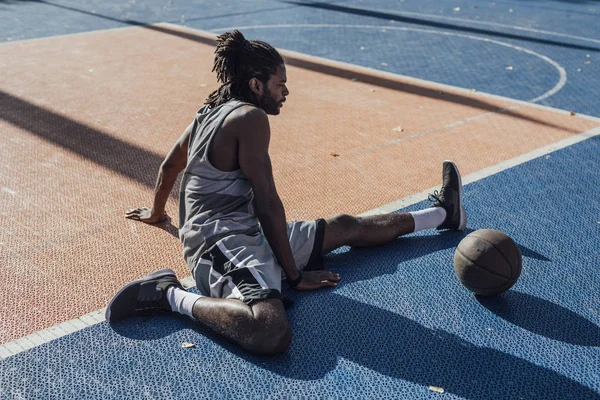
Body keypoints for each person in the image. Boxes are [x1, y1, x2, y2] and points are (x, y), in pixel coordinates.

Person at [105, 30, 467, 356]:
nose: (286, 91)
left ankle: (443, 213)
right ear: (257, 85)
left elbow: (170, 165)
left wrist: (157, 214)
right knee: (270, 331)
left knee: (344, 226)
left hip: (246, 232)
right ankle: (168, 295)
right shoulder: (248, 118)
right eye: (281, 83)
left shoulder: (208, 112)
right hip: (217, 243)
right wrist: (294, 276)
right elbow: (267, 202)